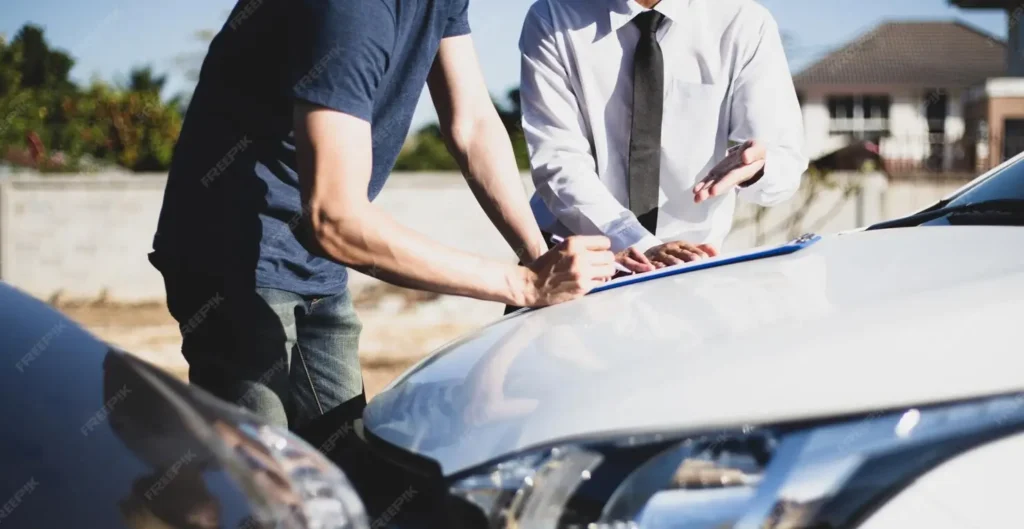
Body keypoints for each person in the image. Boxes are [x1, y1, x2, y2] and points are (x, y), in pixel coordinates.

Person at [149, 0, 617, 431]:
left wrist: (538, 258)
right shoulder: (354, 8)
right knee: (264, 482)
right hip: (235, 259)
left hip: (317, 265)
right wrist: (524, 286)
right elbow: (336, 219)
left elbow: (471, 123)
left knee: (347, 461)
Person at [520, 0, 808, 271]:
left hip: (689, 266)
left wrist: (757, 169)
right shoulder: (554, 16)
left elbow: (784, 158)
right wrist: (639, 244)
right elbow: (557, 159)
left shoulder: (744, 22)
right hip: (573, 263)